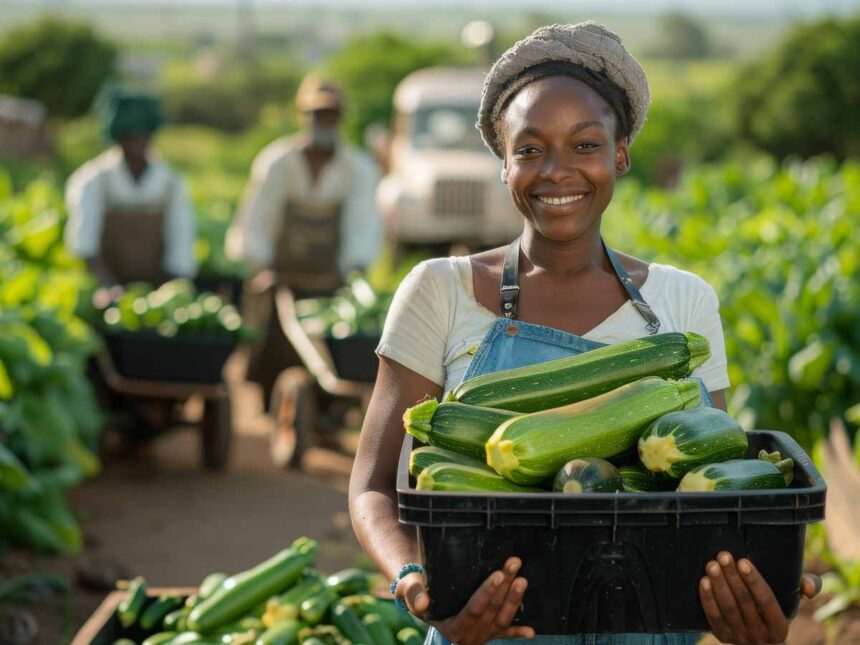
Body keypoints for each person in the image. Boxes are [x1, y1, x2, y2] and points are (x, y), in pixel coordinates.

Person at [348, 22, 820, 645]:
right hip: (482, 628)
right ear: (504, 163)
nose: (557, 171)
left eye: (585, 145)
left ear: (619, 153)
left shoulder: (684, 301)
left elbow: (705, 489)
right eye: (530, 148)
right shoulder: (440, 290)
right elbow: (373, 486)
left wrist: (743, 596)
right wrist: (415, 581)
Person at [226, 74, 383, 407]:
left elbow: (362, 224)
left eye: (330, 115)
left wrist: (352, 269)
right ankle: (270, 398)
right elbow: (257, 219)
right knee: (270, 337)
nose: (323, 122)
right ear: (304, 117)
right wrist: (262, 263)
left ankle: (328, 406)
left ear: (340, 119)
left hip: (331, 279)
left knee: (332, 343)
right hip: (281, 274)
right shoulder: (277, 163)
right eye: (316, 115)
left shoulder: (358, 168)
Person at [65, 92, 197, 293]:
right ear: (117, 137)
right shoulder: (94, 180)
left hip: (157, 288)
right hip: (103, 287)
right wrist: (109, 287)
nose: (137, 143)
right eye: (130, 136)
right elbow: (85, 242)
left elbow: (181, 241)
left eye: (143, 135)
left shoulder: (171, 183)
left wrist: (169, 293)